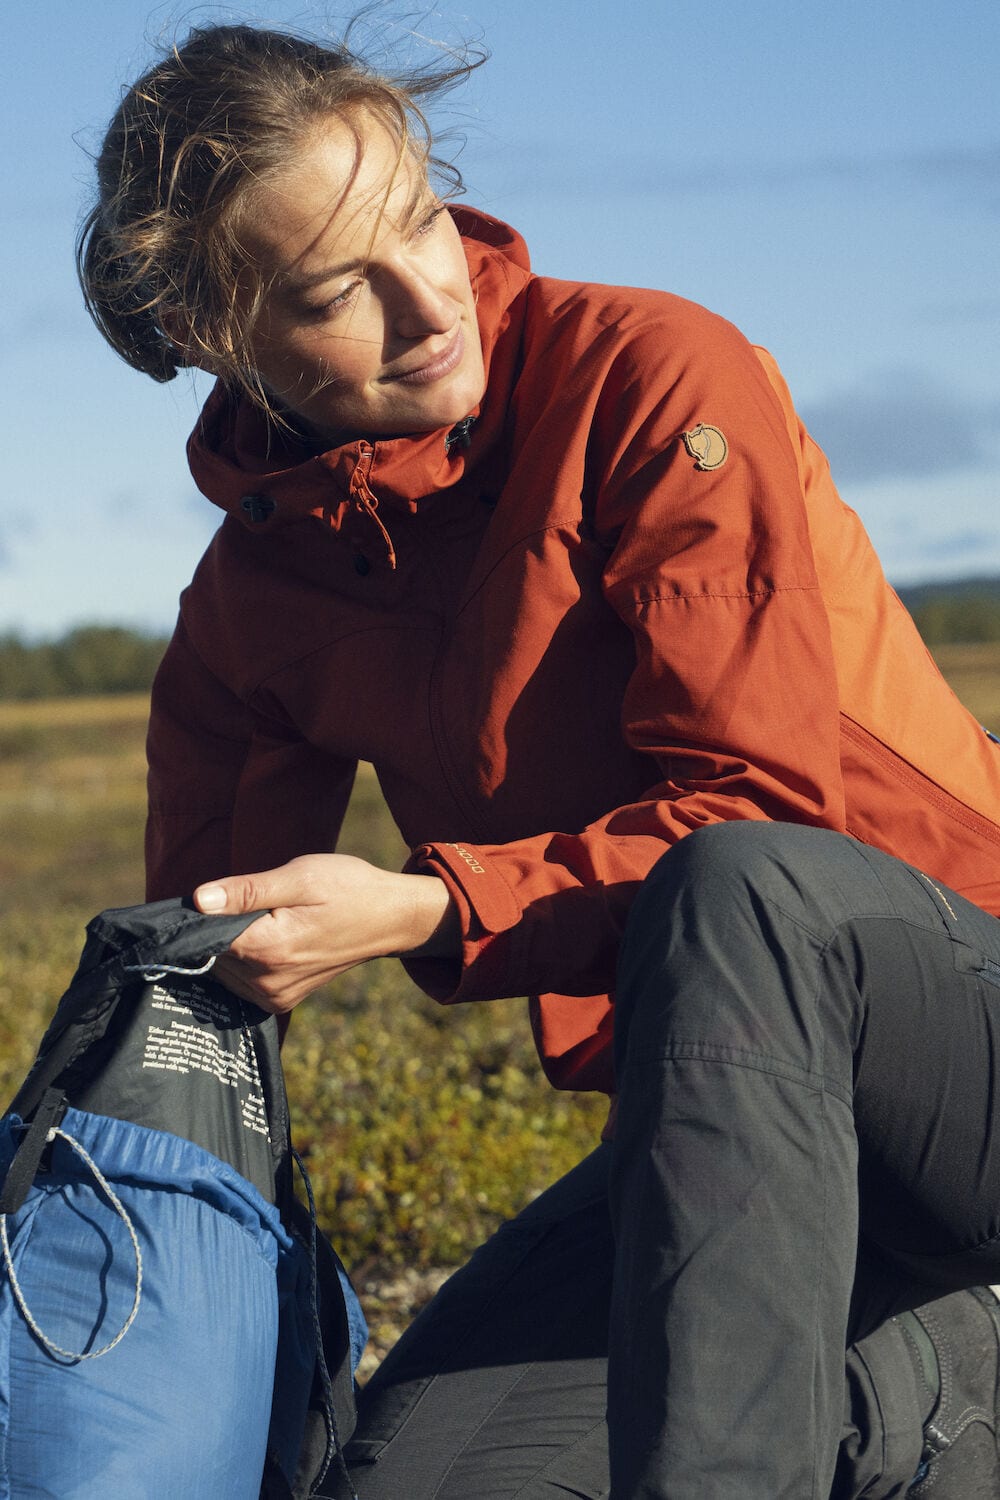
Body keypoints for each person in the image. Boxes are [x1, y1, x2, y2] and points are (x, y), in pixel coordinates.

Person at [78, 21, 1000, 1498]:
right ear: (218, 343)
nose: (426, 300)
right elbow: (198, 984)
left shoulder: (647, 374)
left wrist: (424, 908)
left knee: (746, 886)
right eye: (335, 292)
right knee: (412, 1481)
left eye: (421, 219)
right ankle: (935, 1380)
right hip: (742, 1149)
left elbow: (759, 813)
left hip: (964, 1024)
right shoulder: (249, 612)